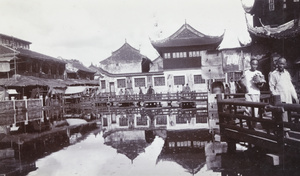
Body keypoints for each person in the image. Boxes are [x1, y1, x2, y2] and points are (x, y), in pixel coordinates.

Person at [269, 57, 299, 121]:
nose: (281, 65)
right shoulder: (274, 74)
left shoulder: (287, 73)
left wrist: (295, 97)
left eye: (283, 64)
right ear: (277, 64)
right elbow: (271, 87)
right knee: (282, 116)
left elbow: (290, 86)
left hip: (288, 97)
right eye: (280, 63)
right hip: (280, 99)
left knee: (289, 115)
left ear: (285, 64)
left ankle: (287, 128)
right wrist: (276, 96)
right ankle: (283, 129)